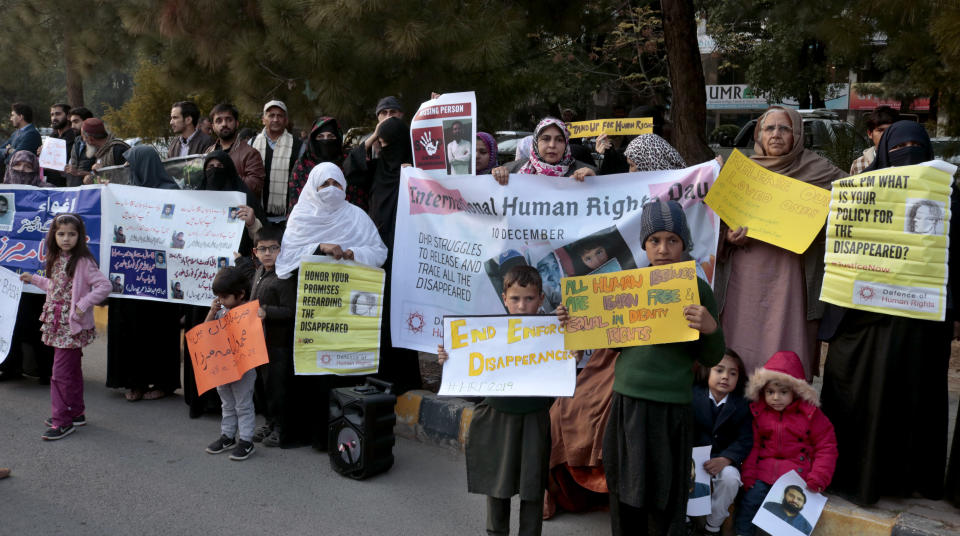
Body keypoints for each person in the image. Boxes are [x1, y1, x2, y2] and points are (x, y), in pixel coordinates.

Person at [543, 138, 690, 520]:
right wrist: (573, 318)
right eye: (654, 241)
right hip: (618, 348)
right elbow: (605, 314)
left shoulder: (686, 209)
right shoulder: (624, 200)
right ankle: (571, 490)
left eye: (636, 167)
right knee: (568, 408)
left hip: (656, 368)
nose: (629, 175)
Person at [820, 120, 955, 506]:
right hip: (860, 324)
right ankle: (847, 474)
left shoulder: (948, 198)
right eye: (899, 147)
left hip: (919, 330)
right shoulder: (857, 192)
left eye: (916, 146)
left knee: (910, 403)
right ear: (883, 152)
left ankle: (904, 479)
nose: (907, 154)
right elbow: (839, 244)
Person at [602, 199, 724, 535]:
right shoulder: (629, 285)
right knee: (626, 485)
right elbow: (613, 338)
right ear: (644, 245)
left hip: (672, 409)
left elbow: (713, 358)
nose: (663, 248)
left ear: (685, 244)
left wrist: (710, 328)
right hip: (629, 402)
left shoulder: (698, 289)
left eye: (673, 240)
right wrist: (579, 321)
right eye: (654, 241)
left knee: (665, 492)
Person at [714, 106, 846, 380]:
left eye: (784, 128)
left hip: (791, 277)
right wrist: (726, 238)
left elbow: (851, 203)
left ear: (797, 134)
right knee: (740, 338)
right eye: (769, 128)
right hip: (744, 277)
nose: (776, 134)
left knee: (786, 338)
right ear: (758, 134)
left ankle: (782, 406)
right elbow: (713, 225)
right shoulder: (741, 173)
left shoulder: (820, 171)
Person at [437, 266, 569, 536]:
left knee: (533, 487)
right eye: (516, 299)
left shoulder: (553, 331)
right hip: (497, 418)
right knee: (498, 485)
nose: (522, 306)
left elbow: (569, 359)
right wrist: (449, 357)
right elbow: (466, 364)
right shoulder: (488, 332)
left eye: (529, 299)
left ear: (541, 299)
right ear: (504, 298)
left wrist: (569, 332)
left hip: (534, 420)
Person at [274, 162, 387, 447]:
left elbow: (379, 252)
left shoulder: (357, 217)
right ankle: (306, 433)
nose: (331, 190)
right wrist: (320, 247)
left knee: (341, 373)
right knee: (311, 370)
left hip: (348, 313)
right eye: (325, 185)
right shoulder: (301, 216)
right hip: (313, 310)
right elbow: (286, 260)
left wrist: (354, 252)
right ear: (313, 186)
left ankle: (343, 437)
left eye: (337, 184)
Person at [182, 151, 266, 418]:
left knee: (234, 343)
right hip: (198, 284)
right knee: (206, 338)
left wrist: (252, 222)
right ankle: (204, 400)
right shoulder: (195, 200)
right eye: (210, 167)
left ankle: (239, 404)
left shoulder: (244, 199)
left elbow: (262, 244)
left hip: (235, 290)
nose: (215, 170)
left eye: (221, 166)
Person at [344, 115, 421, 393]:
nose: (384, 149)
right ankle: (378, 375)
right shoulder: (376, 169)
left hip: (406, 253)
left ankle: (405, 381)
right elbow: (349, 170)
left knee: (401, 315)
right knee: (379, 316)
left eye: (390, 144)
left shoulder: (415, 172)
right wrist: (374, 134)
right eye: (381, 144)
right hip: (378, 254)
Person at [19, 213, 111, 440]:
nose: (66, 238)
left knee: (59, 374)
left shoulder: (83, 261)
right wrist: (34, 280)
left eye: (71, 234)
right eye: (61, 234)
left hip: (71, 326)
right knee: (70, 371)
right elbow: (55, 286)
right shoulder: (56, 257)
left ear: (80, 237)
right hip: (56, 322)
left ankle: (62, 421)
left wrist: (83, 304)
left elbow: (104, 285)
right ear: (54, 236)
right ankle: (75, 413)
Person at [106, 145, 182, 402]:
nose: (128, 169)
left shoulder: (171, 192)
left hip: (159, 272)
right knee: (131, 327)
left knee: (158, 330)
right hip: (130, 270)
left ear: (145, 164)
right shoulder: (127, 192)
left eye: (131, 164)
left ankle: (162, 383)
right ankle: (133, 382)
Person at [734, 351, 837, 535]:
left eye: (783, 392)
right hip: (764, 474)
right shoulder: (758, 412)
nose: (775, 398)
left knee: (789, 520)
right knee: (749, 502)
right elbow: (753, 446)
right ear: (762, 391)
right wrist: (749, 474)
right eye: (770, 392)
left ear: (796, 392)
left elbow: (826, 447)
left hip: (798, 476)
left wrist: (818, 477)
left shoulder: (811, 415)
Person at [233, 225, 297, 448]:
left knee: (278, 388)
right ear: (255, 252)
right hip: (259, 343)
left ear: (282, 249)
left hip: (278, 345)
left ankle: (281, 428)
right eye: (263, 249)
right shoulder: (260, 271)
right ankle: (270, 423)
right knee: (264, 387)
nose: (268, 253)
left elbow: (292, 311)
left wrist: (266, 312)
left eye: (274, 248)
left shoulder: (285, 276)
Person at [1, 150, 53, 384]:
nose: (22, 170)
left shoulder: (49, 191)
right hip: (7, 274)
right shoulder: (2, 192)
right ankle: (9, 366)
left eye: (27, 166)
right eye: (17, 165)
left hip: (38, 272)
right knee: (9, 319)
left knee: (39, 319)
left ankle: (46, 370)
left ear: (36, 167)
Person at [691, 349, 752, 535]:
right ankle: (685, 520)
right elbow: (683, 430)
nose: (725, 377)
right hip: (693, 457)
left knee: (731, 478)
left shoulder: (742, 404)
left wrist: (726, 459)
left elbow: (745, 439)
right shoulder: (692, 396)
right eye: (719, 370)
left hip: (722, 459)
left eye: (732, 373)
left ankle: (713, 526)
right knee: (683, 474)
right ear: (707, 371)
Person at [203, 266, 257, 461]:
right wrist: (212, 311)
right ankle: (227, 436)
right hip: (222, 366)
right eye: (218, 297)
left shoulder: (250, 312)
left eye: (224, 297)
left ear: (241, 294)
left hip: (244, 368)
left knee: (243, 405)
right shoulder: (221, 311)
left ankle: (246, 440)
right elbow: (206, 331)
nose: (221, 301)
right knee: (226, 403)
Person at [490, 118, 596, 184]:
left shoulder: (585, 173)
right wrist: (495, 176)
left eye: (559, 140)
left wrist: (595, 183)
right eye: (546, 139)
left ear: (566, 144)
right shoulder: (512, 170)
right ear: (536, 142)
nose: (552, 145)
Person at [288, 117, 356, 213]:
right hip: (311, 222)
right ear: (313, 139)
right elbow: (296, 202)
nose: (326, 140)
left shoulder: (348, 161)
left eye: (331, 136)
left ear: (338, 138)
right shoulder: (303, 164)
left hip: (345, 221)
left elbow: (356, 198)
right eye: (320, 137)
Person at [250, 100, 301, 219]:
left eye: (280, 116)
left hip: (287, 215)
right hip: (257, 214)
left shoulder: (298, 146)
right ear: (263, 119)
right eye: (271, 115)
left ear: (286, 120)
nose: (275, 119)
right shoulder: (251, 143)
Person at [205, 103, 265, 197]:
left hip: (238, 209)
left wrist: (227, 174)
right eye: (219, 121)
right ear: (213, 126)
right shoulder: (208, 152)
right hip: (212, 208)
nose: (224, 124)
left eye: (229, 120)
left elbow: (256, 186)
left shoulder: (250, 153)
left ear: (237, 124)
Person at [849, 106, 899, 175]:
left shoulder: (906, 160)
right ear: (870, 133)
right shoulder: (858, 164)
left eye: (890, 130)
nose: (886, 134)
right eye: (880, 130)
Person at [80, 118, 129, 183]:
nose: (83, 140)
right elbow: (102, 180)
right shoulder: (100, 152)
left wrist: (104, 170)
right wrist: (91, 178)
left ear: (90, 139)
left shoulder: (118, 149)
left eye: (83, 137)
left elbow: (128, 178)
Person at [42, 103, 75, 186]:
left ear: (68, 116)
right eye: (52, 115)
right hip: (50, 183)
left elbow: (63, 161)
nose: (54, 118)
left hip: (66, 185)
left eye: (58, 114)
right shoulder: (53, 135)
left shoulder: (73, 136)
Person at [64, 107, 94, 186]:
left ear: (87, 122)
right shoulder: (77, 141)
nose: (72, 126)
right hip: (73, 191)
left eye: (76, 121)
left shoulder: (98, 144)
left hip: (91, 193)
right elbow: (70, 168)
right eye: (71, 123)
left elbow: (104, 174)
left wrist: (79, 172)